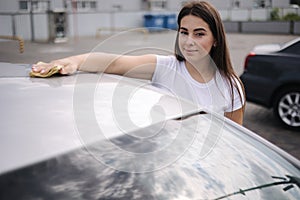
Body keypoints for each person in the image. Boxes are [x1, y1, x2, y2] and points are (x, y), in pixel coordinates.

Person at [31, 1, 245, 125]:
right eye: (184, 32)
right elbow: (116, 63)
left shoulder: (230, 87)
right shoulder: (166, 67)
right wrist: (72, 61)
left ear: (216, 39)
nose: (189, 42)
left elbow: (235, 142)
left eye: (199, 34)